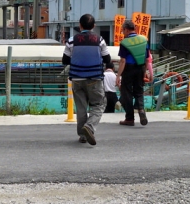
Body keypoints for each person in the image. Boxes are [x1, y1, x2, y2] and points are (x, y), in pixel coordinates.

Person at [62, 14, 112, 145]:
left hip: (77, 78)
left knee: (81, 107)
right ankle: (89, 127)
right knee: (99, 104)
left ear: (80, 25)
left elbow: (65, 60)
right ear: (94, 26)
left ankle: (83, 136)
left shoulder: (72, 40)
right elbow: (107, 59)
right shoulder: (99, 40)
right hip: (95, 78)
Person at [117, 20, 149, 126]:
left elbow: (123, 61)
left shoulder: (124, 42)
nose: (122, 33)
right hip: (141, 67)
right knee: (139, 91)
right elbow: (147, 59)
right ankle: (141, 110)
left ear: (126, 30)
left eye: (123, 30)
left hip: (128, 69)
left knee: (127, 93)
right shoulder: (144, 40)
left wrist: (118, 75)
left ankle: (130, 118)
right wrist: (145, 72)